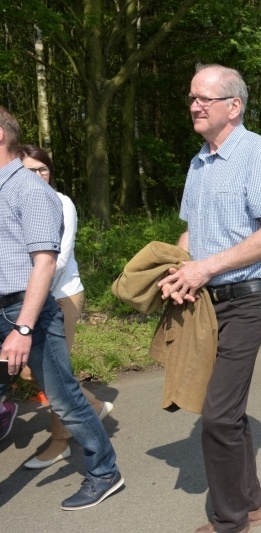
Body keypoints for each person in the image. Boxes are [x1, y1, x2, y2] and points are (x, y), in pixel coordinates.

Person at [157, 65, 261, 533]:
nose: (194, 105)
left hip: (247, 298)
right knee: (226, 413)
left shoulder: (260, 154)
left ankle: (231, 522)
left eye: (204, 99)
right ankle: (250, 504)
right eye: (191, 98)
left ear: (233, 107)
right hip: (204, 302)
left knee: (216, 415)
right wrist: (180, 269)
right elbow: (193, 232)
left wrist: (206, 267)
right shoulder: (199, 162)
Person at [0, 107, 123, 509]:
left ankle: (104, 472)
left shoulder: (30, 191)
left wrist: (22, 328)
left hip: (22, 308)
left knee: (63, 396)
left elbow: (46, 262)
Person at [18, 144, 113, 470]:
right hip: (27, 299)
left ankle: (60, 443)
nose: (38, 175)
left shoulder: (61, 203)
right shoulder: (15, 201)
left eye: (43, 169)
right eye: (30, 170)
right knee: (31, 369)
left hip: (62, 296)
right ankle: (93, 404)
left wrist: (26, 294)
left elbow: (56, 259)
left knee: (50, 372)